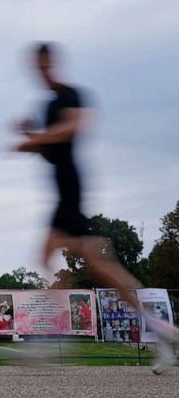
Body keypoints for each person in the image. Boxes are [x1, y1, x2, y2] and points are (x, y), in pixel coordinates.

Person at [15, 42, 178, 374]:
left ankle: (56, 337)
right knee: (85, 264)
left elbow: (74, 128)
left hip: (71, 190)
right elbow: (51, 150)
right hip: (62, 192)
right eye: (37, 68)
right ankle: (158, 330)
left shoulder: (72, 96)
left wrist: (38, 138)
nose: (41, 73)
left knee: (93, 265)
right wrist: (33, 138)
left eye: (44, 66)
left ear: (52, 64)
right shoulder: (48, 106)